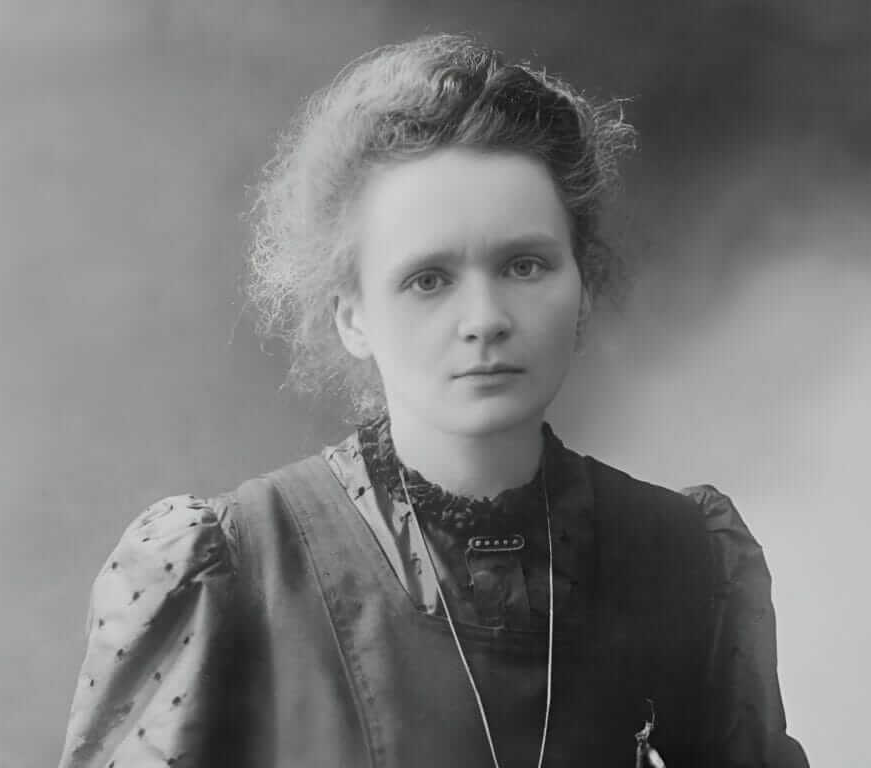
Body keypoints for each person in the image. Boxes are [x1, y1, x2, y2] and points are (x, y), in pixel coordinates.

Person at [57, 33, 808, 768]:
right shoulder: (233, 572)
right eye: (429, 280)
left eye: (524, 265)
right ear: (352, 317)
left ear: (581, 287)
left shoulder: (688, 557)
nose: (485, 319)